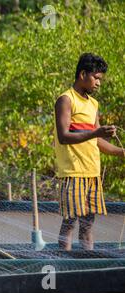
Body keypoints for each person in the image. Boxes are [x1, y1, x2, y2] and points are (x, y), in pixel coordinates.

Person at [54, 53, 124, 251]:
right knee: (69, 223)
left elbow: (98, 141)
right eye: (96, 78)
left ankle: (87, 265)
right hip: (74, 172)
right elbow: (64, 136)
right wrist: (96, 132)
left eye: (100, 79)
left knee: (88, 225)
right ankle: (64, 266)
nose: (99, 83)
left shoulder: (93, 104)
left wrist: (122, 152)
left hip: (92, 172)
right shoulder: (66, 100)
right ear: (83, 74)